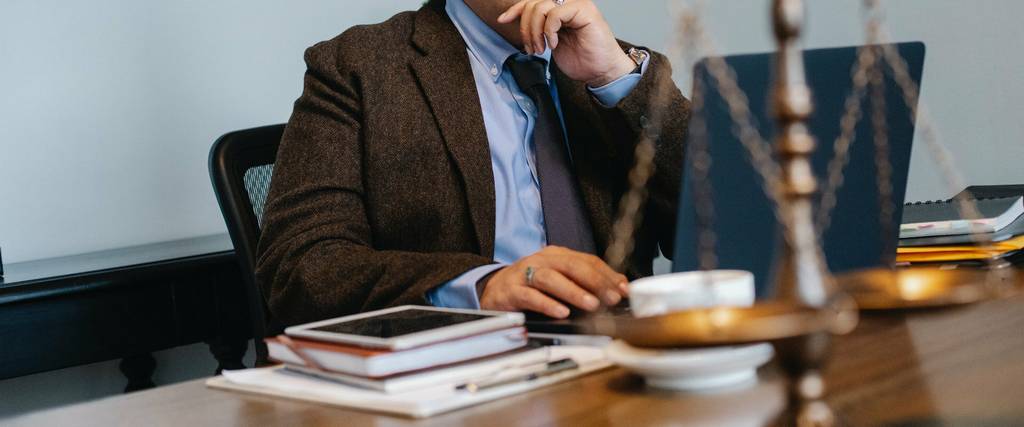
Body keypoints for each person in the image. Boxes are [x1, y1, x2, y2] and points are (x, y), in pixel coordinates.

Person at [256, 0, 690, 327]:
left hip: (617, 358)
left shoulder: (620, 67)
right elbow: (300, 268)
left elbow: (731, 225)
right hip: (454, 371)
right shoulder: (359, 67)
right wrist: (480, 286)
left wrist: (617, 80)